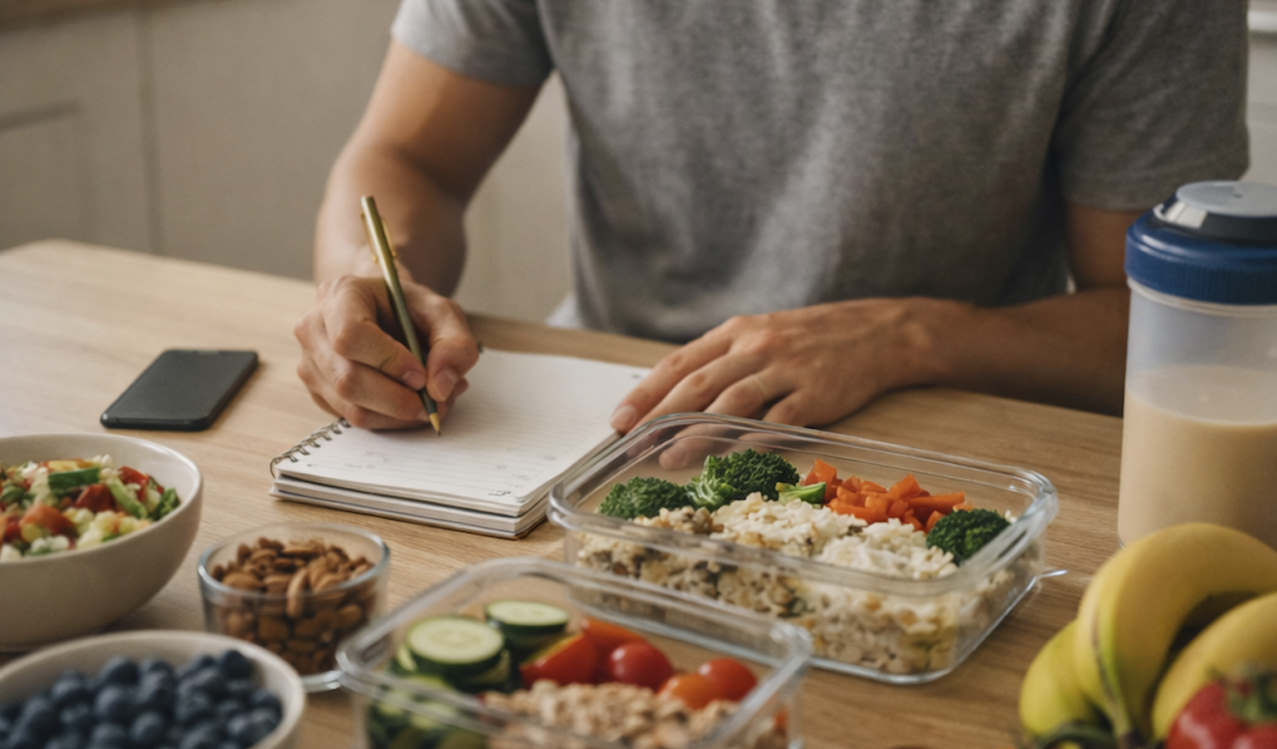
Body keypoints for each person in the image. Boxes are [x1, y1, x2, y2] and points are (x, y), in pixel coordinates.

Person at [295, 1, 1248, 433]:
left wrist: (910, 334)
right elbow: (406, 160)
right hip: (599, 415)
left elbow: (1172, 330)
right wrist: (370, 279)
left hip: (945, 423)